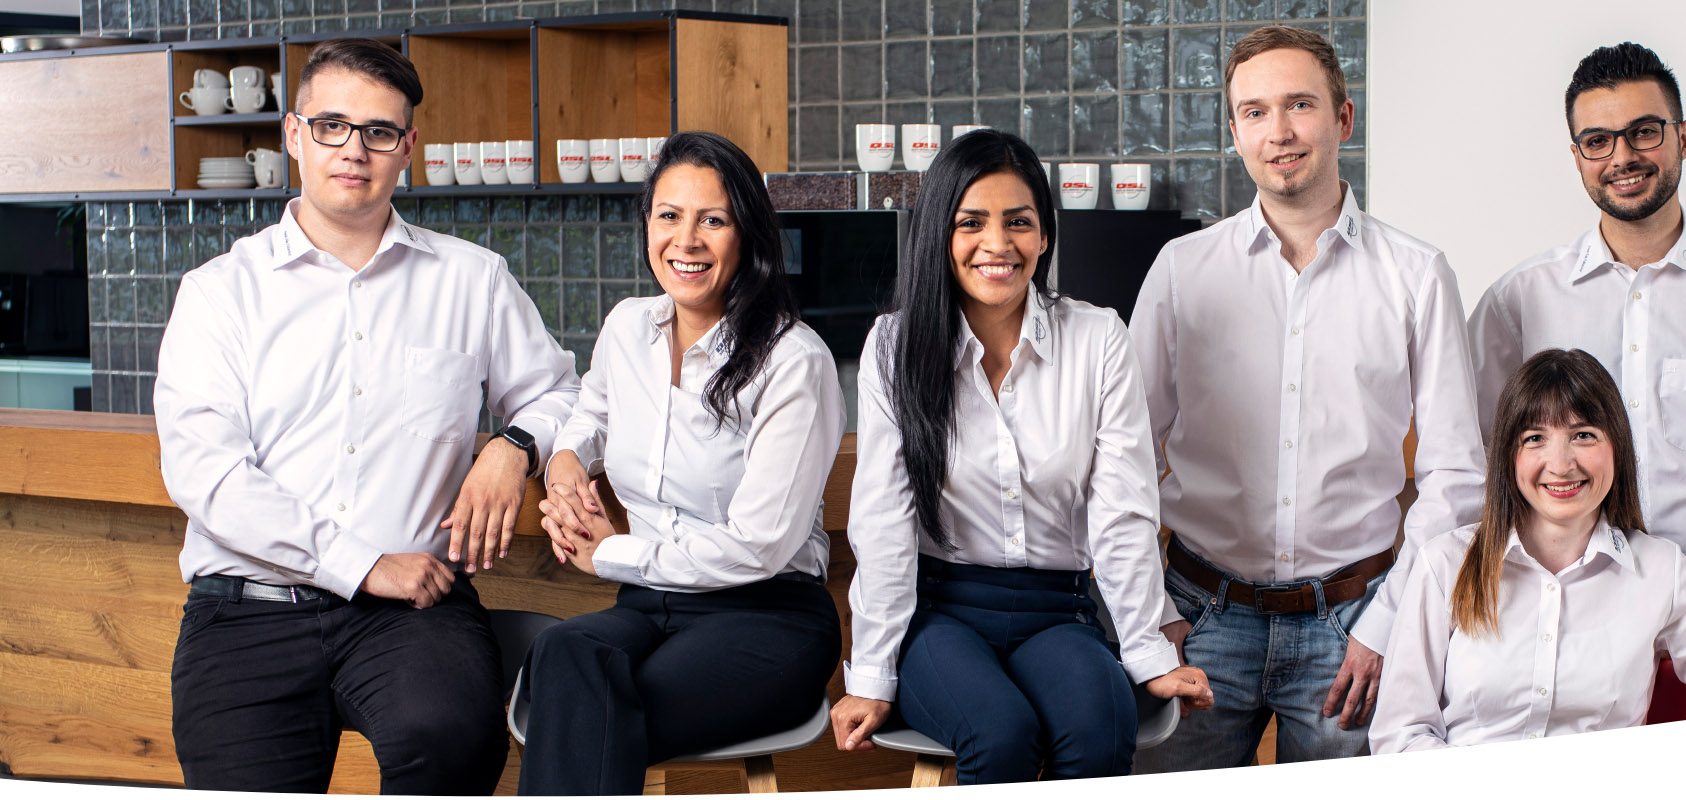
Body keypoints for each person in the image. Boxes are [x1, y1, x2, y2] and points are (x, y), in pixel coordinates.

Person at [154, 38, 578, 793]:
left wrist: (511, 446)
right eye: (332, 126)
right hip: (249, 608)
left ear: (407, 149)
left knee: (452, 737)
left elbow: (561, 395)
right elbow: (206, 474)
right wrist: (362, 565)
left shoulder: (473, 280)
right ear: (295, 136)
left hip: (414, 612)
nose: (355, 149)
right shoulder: (219, 292)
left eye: (380, 131)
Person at [1129, 25, 1485, 771]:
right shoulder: (1181, 271)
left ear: (1343, 118)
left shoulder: (1417, 275)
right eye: (1255, 111)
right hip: (1197, 618)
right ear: (1234, 132)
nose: (1279, 131)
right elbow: (1122, 459)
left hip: (1353, 625)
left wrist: (1389, 623)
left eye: (1299, 104)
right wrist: (1147, 616)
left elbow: (1457, 474)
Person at [830, 128, 1214, 784]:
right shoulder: (894, 345)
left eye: (1018, 222)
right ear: (939, 234)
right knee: (999, 733)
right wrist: (870, 673)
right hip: (941, 614)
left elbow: (1122, 514)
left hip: (1056, 611)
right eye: (971, 223)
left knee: (1102, 727)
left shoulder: (1098, 338)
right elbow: (883, 522)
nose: (997, 244)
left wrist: (1148, 651)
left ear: (1043, 234)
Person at [514, 131, 847, 795]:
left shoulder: (793, 361)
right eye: (669, 215)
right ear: (648, 224)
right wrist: (567, 461)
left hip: (766, 615)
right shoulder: (628, 326)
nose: (686, 241)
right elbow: (591, 413)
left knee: (588, 705)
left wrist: (610, 554)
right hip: (650, 605)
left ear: (747, 234)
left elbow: (758, 547)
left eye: (713, 220)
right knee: (563, 650)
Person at [1370, 349, 1686, 752]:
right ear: (1509, 456)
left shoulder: (1664, 570)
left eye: (1583, 435)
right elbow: (1400, 735)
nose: (1560, 465)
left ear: (1617, 447)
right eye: (1535, 439)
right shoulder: (1444, 565)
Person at [1467, 42, 1686, 563]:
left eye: (1644, 131)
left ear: (1684, 137)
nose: (1622, 158)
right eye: (1598, 141)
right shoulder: (1519, 299)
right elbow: (1472, 454)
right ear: (1577, 157)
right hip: (1566, 576)